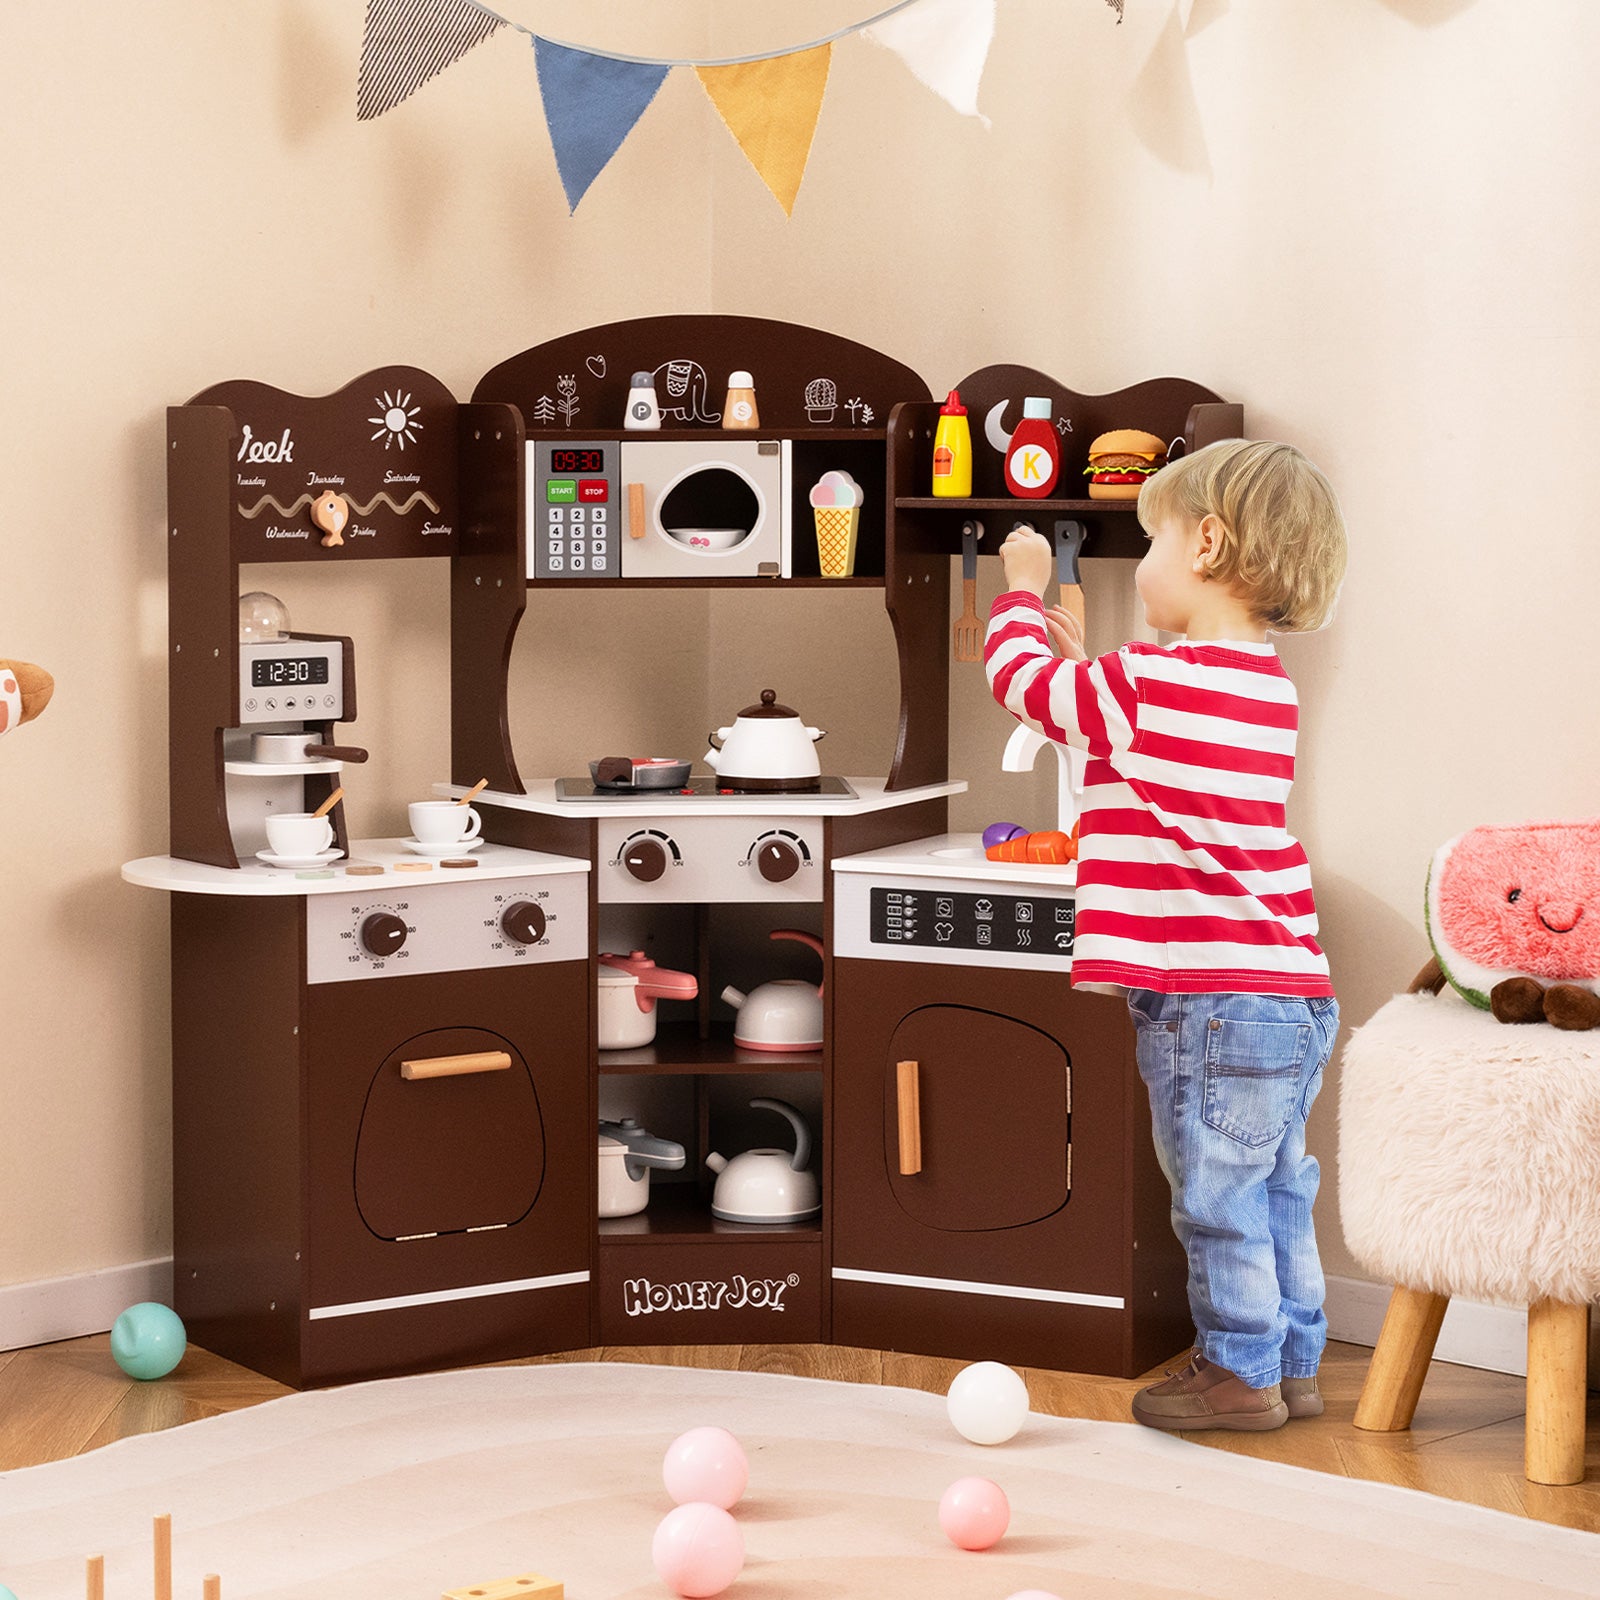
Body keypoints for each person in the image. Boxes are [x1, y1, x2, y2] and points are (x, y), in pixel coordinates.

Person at [984, 438, 1348, 1433]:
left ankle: (1235, 1375)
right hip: (1290, 992)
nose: (1139, 565)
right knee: (1274, 1185)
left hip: (1209, 1000)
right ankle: (1291, 1363)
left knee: (1212, 1197)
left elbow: (1023, 684)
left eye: (1150, 540)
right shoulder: (1261, 689)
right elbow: (1120, 734)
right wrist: (1081, 664)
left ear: (1207, 543)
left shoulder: (1145, 683)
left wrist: (1019, 589)